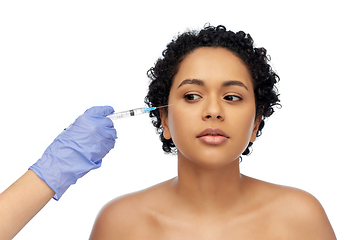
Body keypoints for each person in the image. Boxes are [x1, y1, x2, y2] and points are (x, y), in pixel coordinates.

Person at [89, 25, 337, 239]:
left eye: (231, 97)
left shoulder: (300, 217)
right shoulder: (120, 222)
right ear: (164, 118)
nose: (213, 111)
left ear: (256, 123)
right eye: (192, 96)